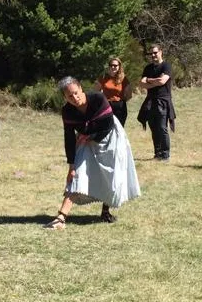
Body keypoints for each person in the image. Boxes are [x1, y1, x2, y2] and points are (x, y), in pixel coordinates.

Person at [44, 77, 140, 229]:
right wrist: (71, 166)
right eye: (70, 96)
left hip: (110, 137)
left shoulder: (98, 98)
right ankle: (61, 218)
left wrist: (90, 137)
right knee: (76, 175)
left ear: (81, 88)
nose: (74, 98)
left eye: (76, 93)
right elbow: (69, 138)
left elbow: (107, 125)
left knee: (110, 174)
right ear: (65, 97)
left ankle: (105, 211)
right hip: (85, 140)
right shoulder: (67, 111)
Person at [137, 44, 175, 161]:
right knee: (153, 127)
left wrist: (149, 80)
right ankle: (157, 153)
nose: (153, 55)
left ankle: (165, 154)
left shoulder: (166, 66)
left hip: (163, 100)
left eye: (155, 52)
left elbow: (162, 81)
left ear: (161, 52)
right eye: (151, 54)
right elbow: (142, 83)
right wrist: (153, 80)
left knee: (162, 127)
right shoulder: (148, 68)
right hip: (150, 101)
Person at [97, 56, 132, 126]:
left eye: (115, 65)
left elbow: (129, 95)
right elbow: (96, 92)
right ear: (109, 66)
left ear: (119, 66)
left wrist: (121, 101)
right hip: (106, 106)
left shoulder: (123, 79)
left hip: (120, 107)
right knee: (107, 127)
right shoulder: (103, 78)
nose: (113, 67)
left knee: (119, 128)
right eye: (111, 65)